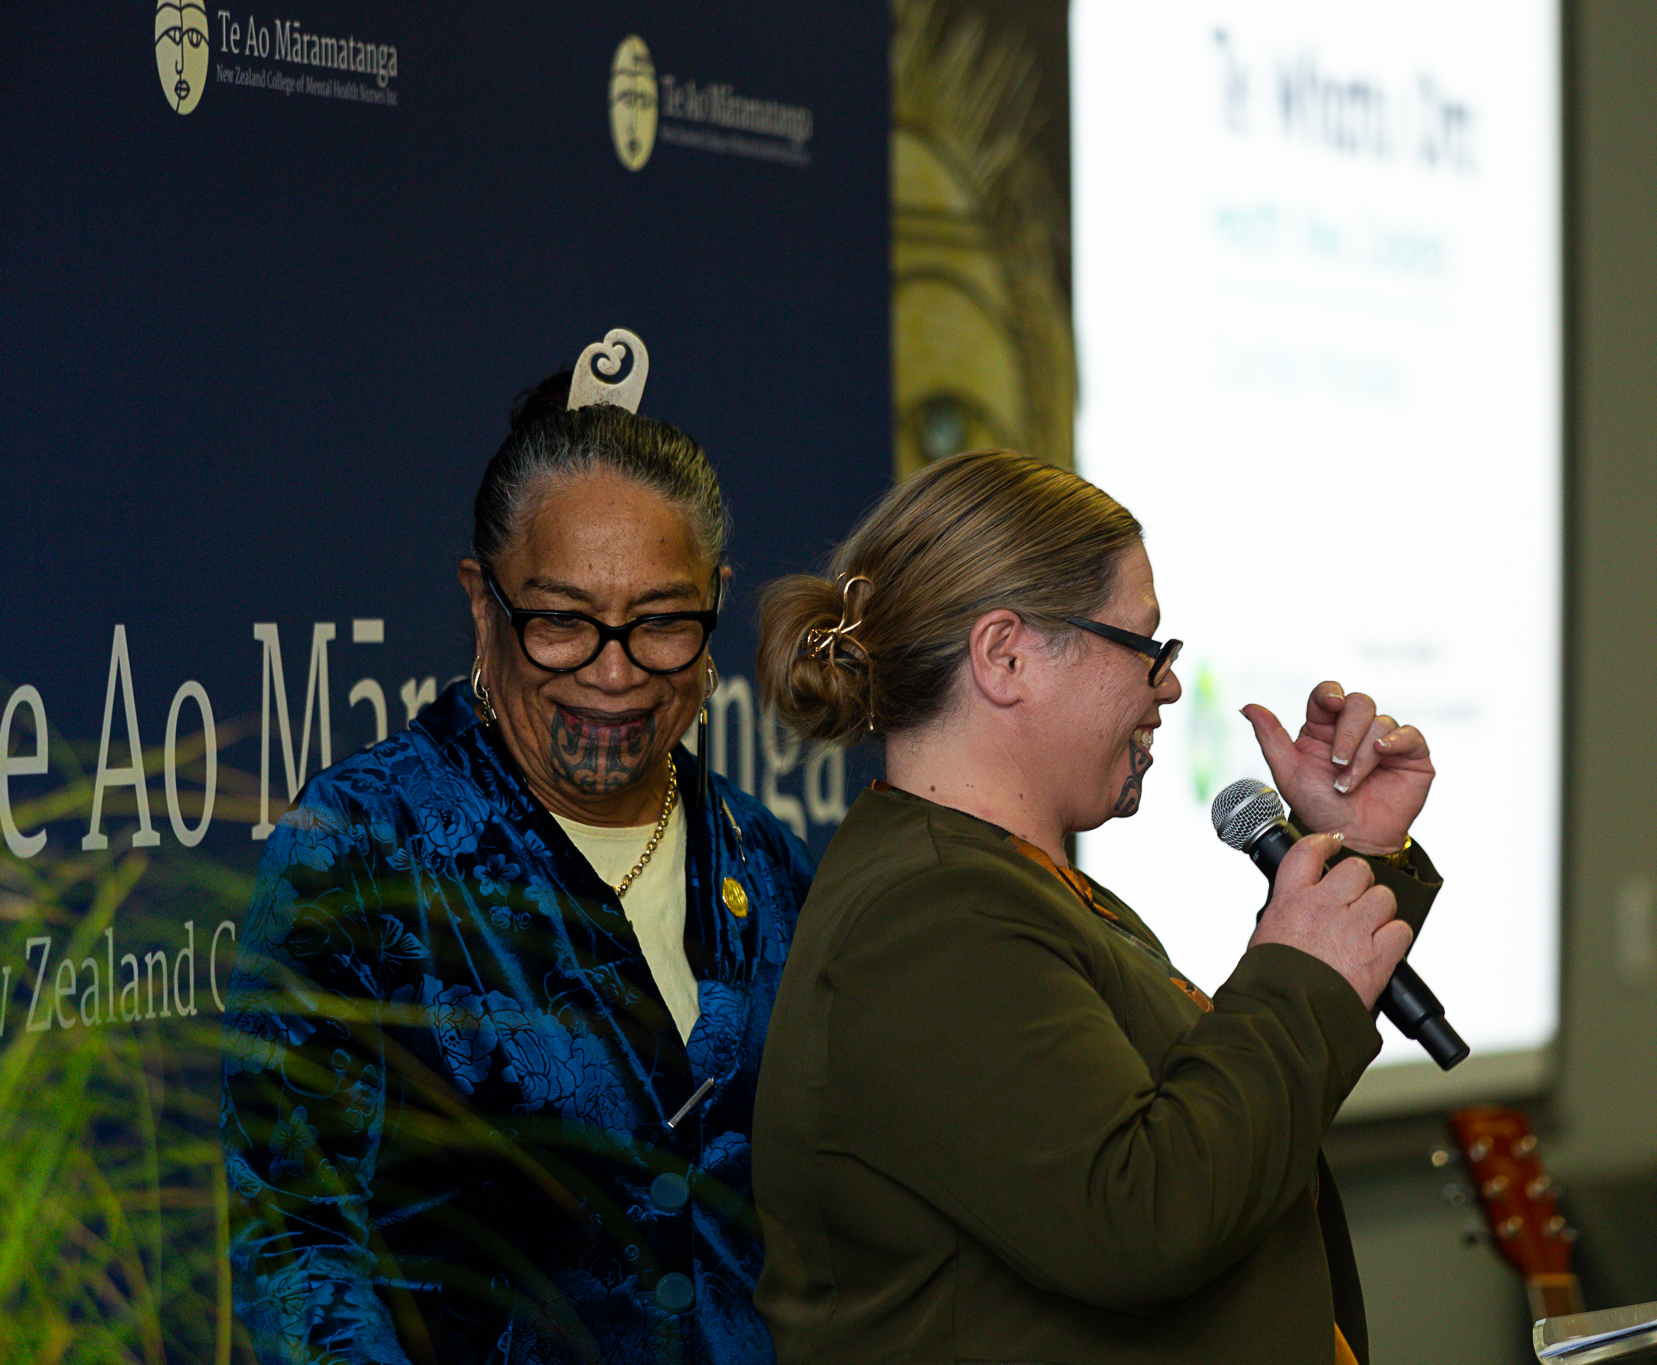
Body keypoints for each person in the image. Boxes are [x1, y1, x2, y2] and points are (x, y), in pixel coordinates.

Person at [749, 449, 1442, 1364]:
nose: (1167, 685)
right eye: (1147, 646)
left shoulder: (996, 883)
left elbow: (1209, 1132)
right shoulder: (929, 920)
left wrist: (1350, 852)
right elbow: (1144, 1217)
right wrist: (1297, 981)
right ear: (1005, 656)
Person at [220, 334, 813, 1364]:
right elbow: (294, 1242)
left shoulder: (767, 866)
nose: (614, 673)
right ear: (479, 600)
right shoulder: (365, 847)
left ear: (715, 603)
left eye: (662, 621)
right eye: (562, 621)